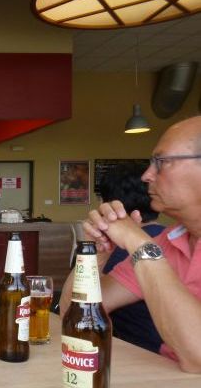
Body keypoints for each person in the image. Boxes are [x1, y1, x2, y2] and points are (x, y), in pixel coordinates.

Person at [60, 115, 201, 373]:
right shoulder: (170, 241)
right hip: (171, 386)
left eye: (161, 162)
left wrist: (137, 242)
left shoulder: (150, 245)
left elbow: (198, 357)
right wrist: (95, 254)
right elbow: (74, 315)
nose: (147, 175)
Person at [98, 165, 165, 353]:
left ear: (108, 204)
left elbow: (77, 311)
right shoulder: (168, 238)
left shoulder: (125, 250)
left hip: (136, 356)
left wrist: (95, 255)